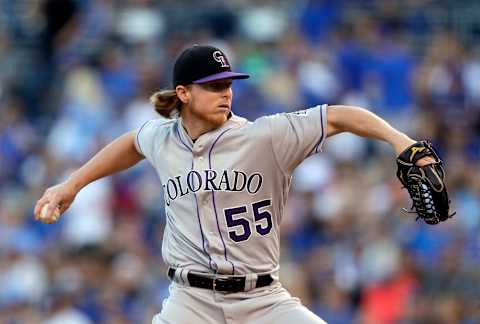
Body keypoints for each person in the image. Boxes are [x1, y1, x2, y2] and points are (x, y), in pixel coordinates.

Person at [35, 45, 433, 324]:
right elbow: (132, 143)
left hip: (262, 300)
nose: (226, 91)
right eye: (213, 85)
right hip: (190, 302)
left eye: (228, 82)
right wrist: (71, 185)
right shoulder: (162, 137)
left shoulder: (264, 137)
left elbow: (340, 116)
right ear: (183, 93)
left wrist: (401, 141)